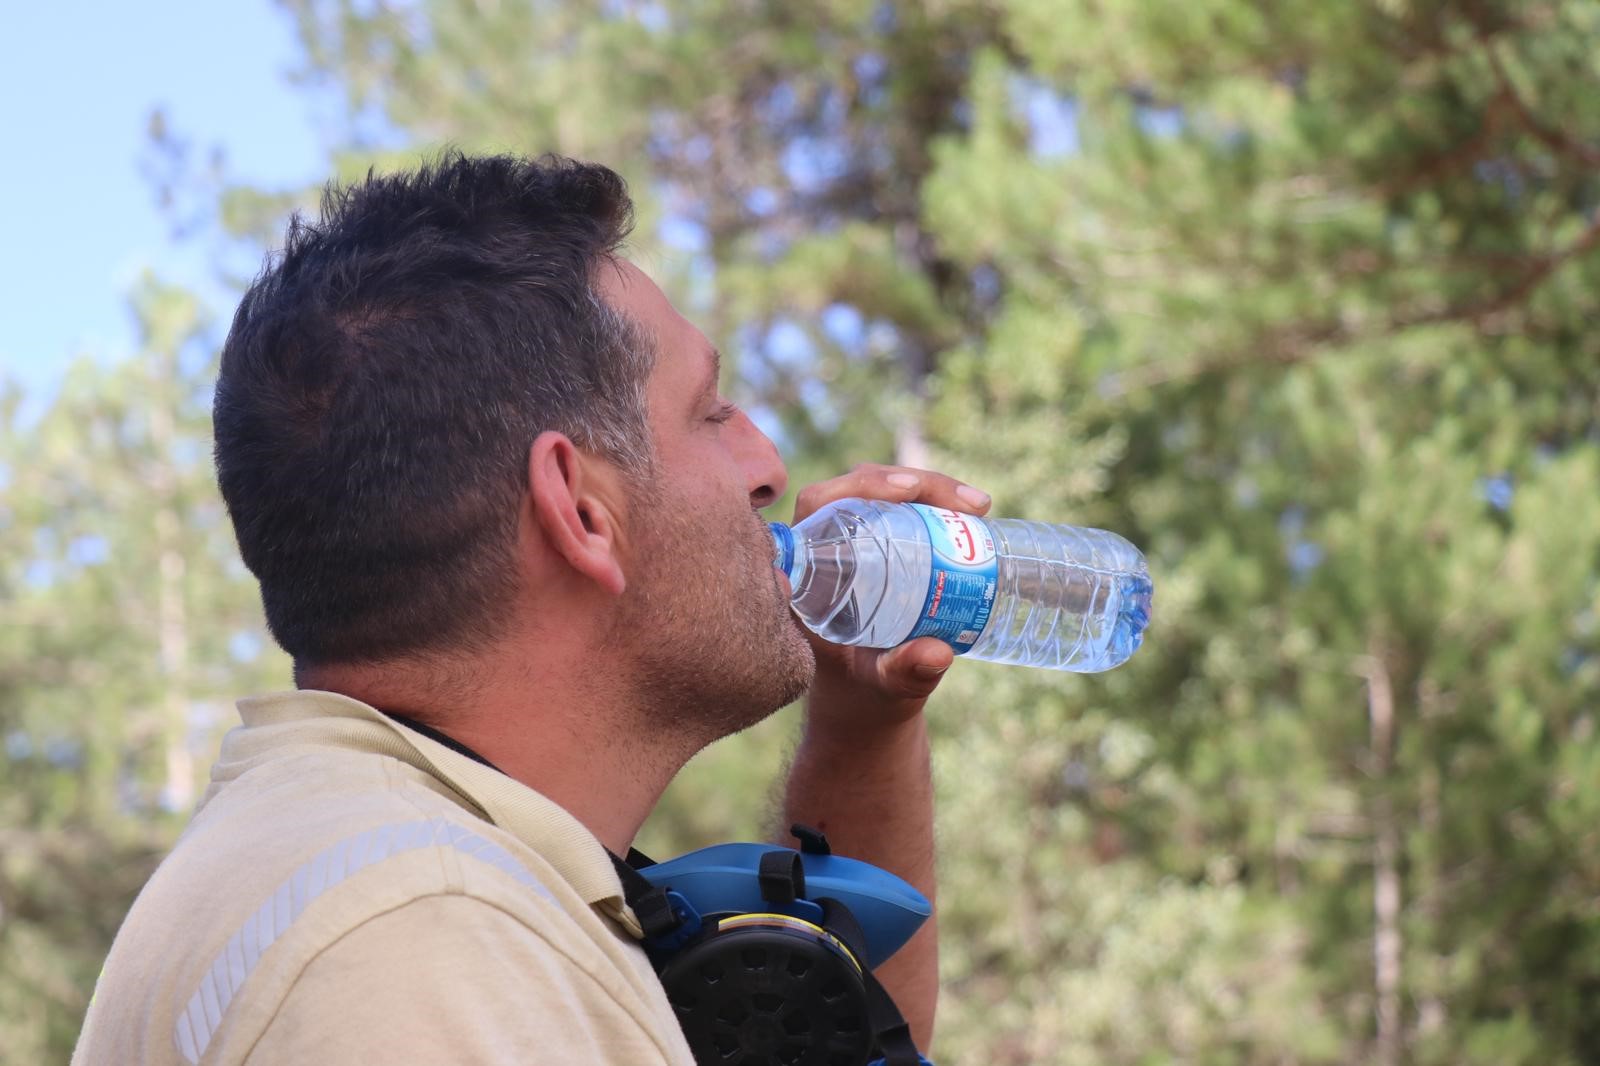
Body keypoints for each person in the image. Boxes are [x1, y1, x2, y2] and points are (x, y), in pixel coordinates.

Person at [72, 153, 990, 1065]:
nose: (769, 468)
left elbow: (846, 1045)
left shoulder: (386, 859)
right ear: (582, 511)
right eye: (711, 413)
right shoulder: (428, 937)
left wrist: (862, 725)